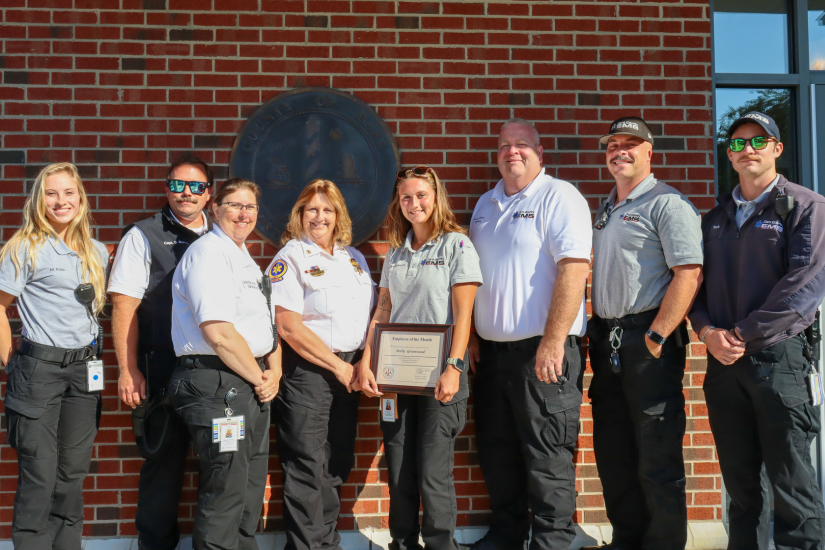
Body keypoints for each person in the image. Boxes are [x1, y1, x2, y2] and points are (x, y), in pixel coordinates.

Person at [689, 111, 825, 550]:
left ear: (777, 149)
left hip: (780, 361)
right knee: (740, 487)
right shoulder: (714, 218)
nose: (747, 149)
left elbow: (804, 285)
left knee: (792, 483)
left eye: (758, 141)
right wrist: (708, 332)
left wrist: (742, 334)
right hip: (725, 363)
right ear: (728, 155)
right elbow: (696, 286)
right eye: (737, 143)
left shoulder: (805, 206)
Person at [467, 119, 592, 550]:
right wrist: (471, 336)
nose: (511, 152)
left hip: (543, 352)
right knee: (497, 451)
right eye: (503, 145)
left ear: (540, 152)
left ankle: (554, 540)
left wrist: (553, 340)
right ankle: (507, 535)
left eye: (521, 144)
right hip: (493, 357)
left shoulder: (559, 197)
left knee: (547, 453)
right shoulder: (485, 204)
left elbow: (574, 268)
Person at [583, 117, 703, 550]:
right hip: (608, 342)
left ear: (649, 152)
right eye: (613, 145)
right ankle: (626, 540)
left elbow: (688, 274)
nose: (620, 151)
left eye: (630, 144)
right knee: (614, 453)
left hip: (648, 341)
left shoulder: (667, 204)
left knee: (656, 455)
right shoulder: (607, 205)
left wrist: (655, 336)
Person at [360, 166, 482, 550]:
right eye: (407, 197)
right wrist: (366, 360)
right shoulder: (396, 251)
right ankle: (402, 543)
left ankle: (441, 544)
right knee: (399, 468)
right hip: (397, 378)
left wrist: (454, 368)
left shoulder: (456, 246)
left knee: (432, 472)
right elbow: (383, 311)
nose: (414, 203)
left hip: (440, 378)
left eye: (421, 195)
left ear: (436, 197)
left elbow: (465, 316)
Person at [0, 162, 109, 549]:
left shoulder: (96, 251)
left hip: (84, 373)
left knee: (72, 474)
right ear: (38, 199)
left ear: (80, 198)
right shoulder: (23, 248)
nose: (61, 201)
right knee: (39, 474)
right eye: (51, 193)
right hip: (39, 371)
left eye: (68, 192)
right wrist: (9, 358)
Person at [169, 177, 280, 550]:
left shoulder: (243, 258)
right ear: (215, 209)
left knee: (247, 486)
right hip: (217, 383)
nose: (243, 213)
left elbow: (263, 325)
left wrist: (272, 371)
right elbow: (217, 332)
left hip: (249, 382)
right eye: (234, 204)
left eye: (250, 206)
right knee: (226, 486)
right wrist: (260, 377)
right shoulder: (208, 254)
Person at [109, 155, 213, 550]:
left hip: (212, 371)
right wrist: (128, 368)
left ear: (209, 193)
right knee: (163, 467)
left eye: (196, 186)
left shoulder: (221, 235)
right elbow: (124, 306)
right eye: (178, 185)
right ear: (165, 188)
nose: (186, 193)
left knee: (216, 464)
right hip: (160, 368)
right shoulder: (143, 235)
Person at [267, 179, 375, 550]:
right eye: (311, 209)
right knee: (307, 466)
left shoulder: (354, 258)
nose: (320, 216)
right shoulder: (291, 257)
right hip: (310, 373)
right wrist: (339, 367)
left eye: (327, 209)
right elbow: (288, 326)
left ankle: (325, 542)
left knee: (336, 462)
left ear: (338, 215)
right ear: (299, 214)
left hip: (349, 373)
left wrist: (360, 365)